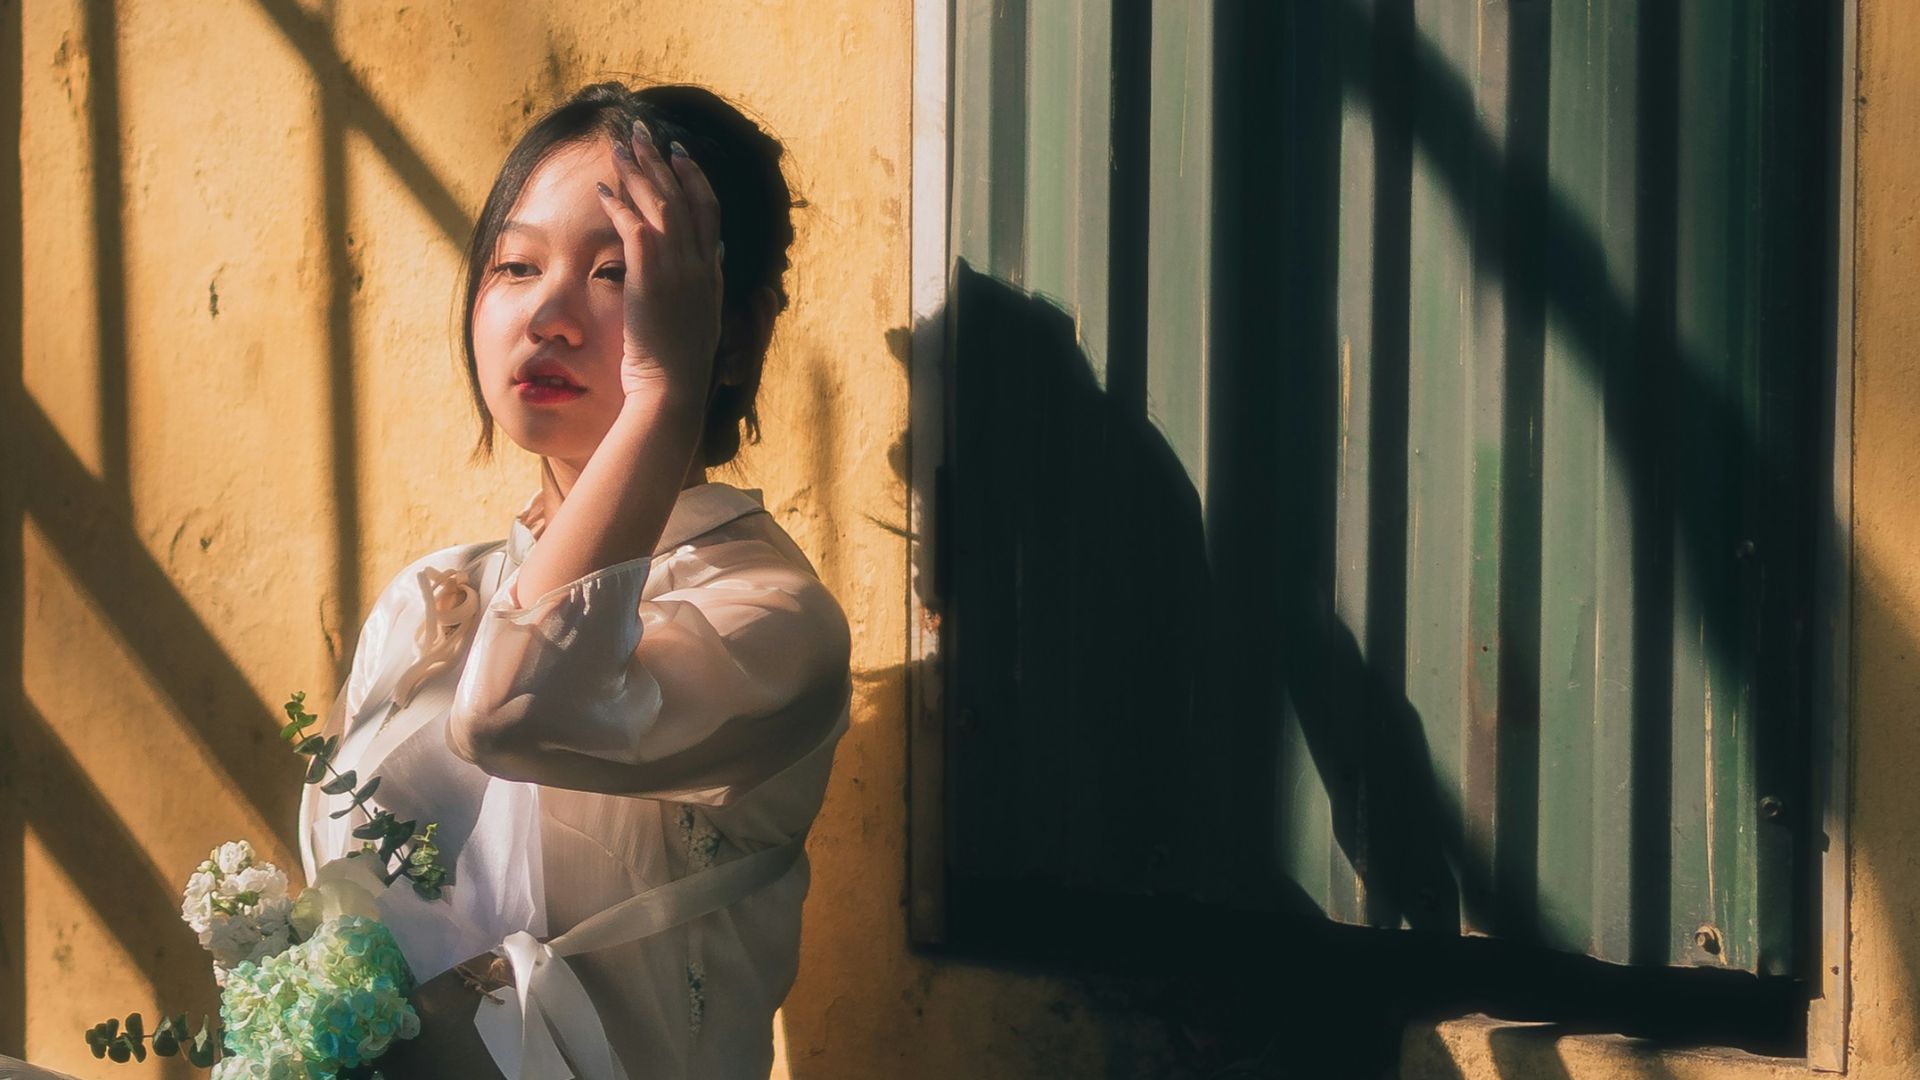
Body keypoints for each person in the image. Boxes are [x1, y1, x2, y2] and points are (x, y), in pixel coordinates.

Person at [296, 81, 851, 1079]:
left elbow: (514, 714)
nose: (546, 313)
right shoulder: (434, 597)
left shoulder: (768, 622)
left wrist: (660, 396)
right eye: (515, 263)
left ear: (731, 329)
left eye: (614, 272)